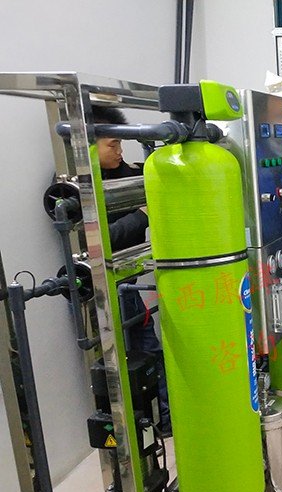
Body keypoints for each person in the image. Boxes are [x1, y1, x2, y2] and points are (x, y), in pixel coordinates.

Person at [93, 106, 171, 433]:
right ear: (88, 147)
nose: (119, 151)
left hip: (127, 282)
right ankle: (130, 428)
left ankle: (163, 420)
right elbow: (100, 239)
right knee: (115, 362)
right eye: (112, 144)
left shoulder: (125, 174)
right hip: (100, 287)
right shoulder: (76, 188)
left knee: (149, 350)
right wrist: (141, 215)